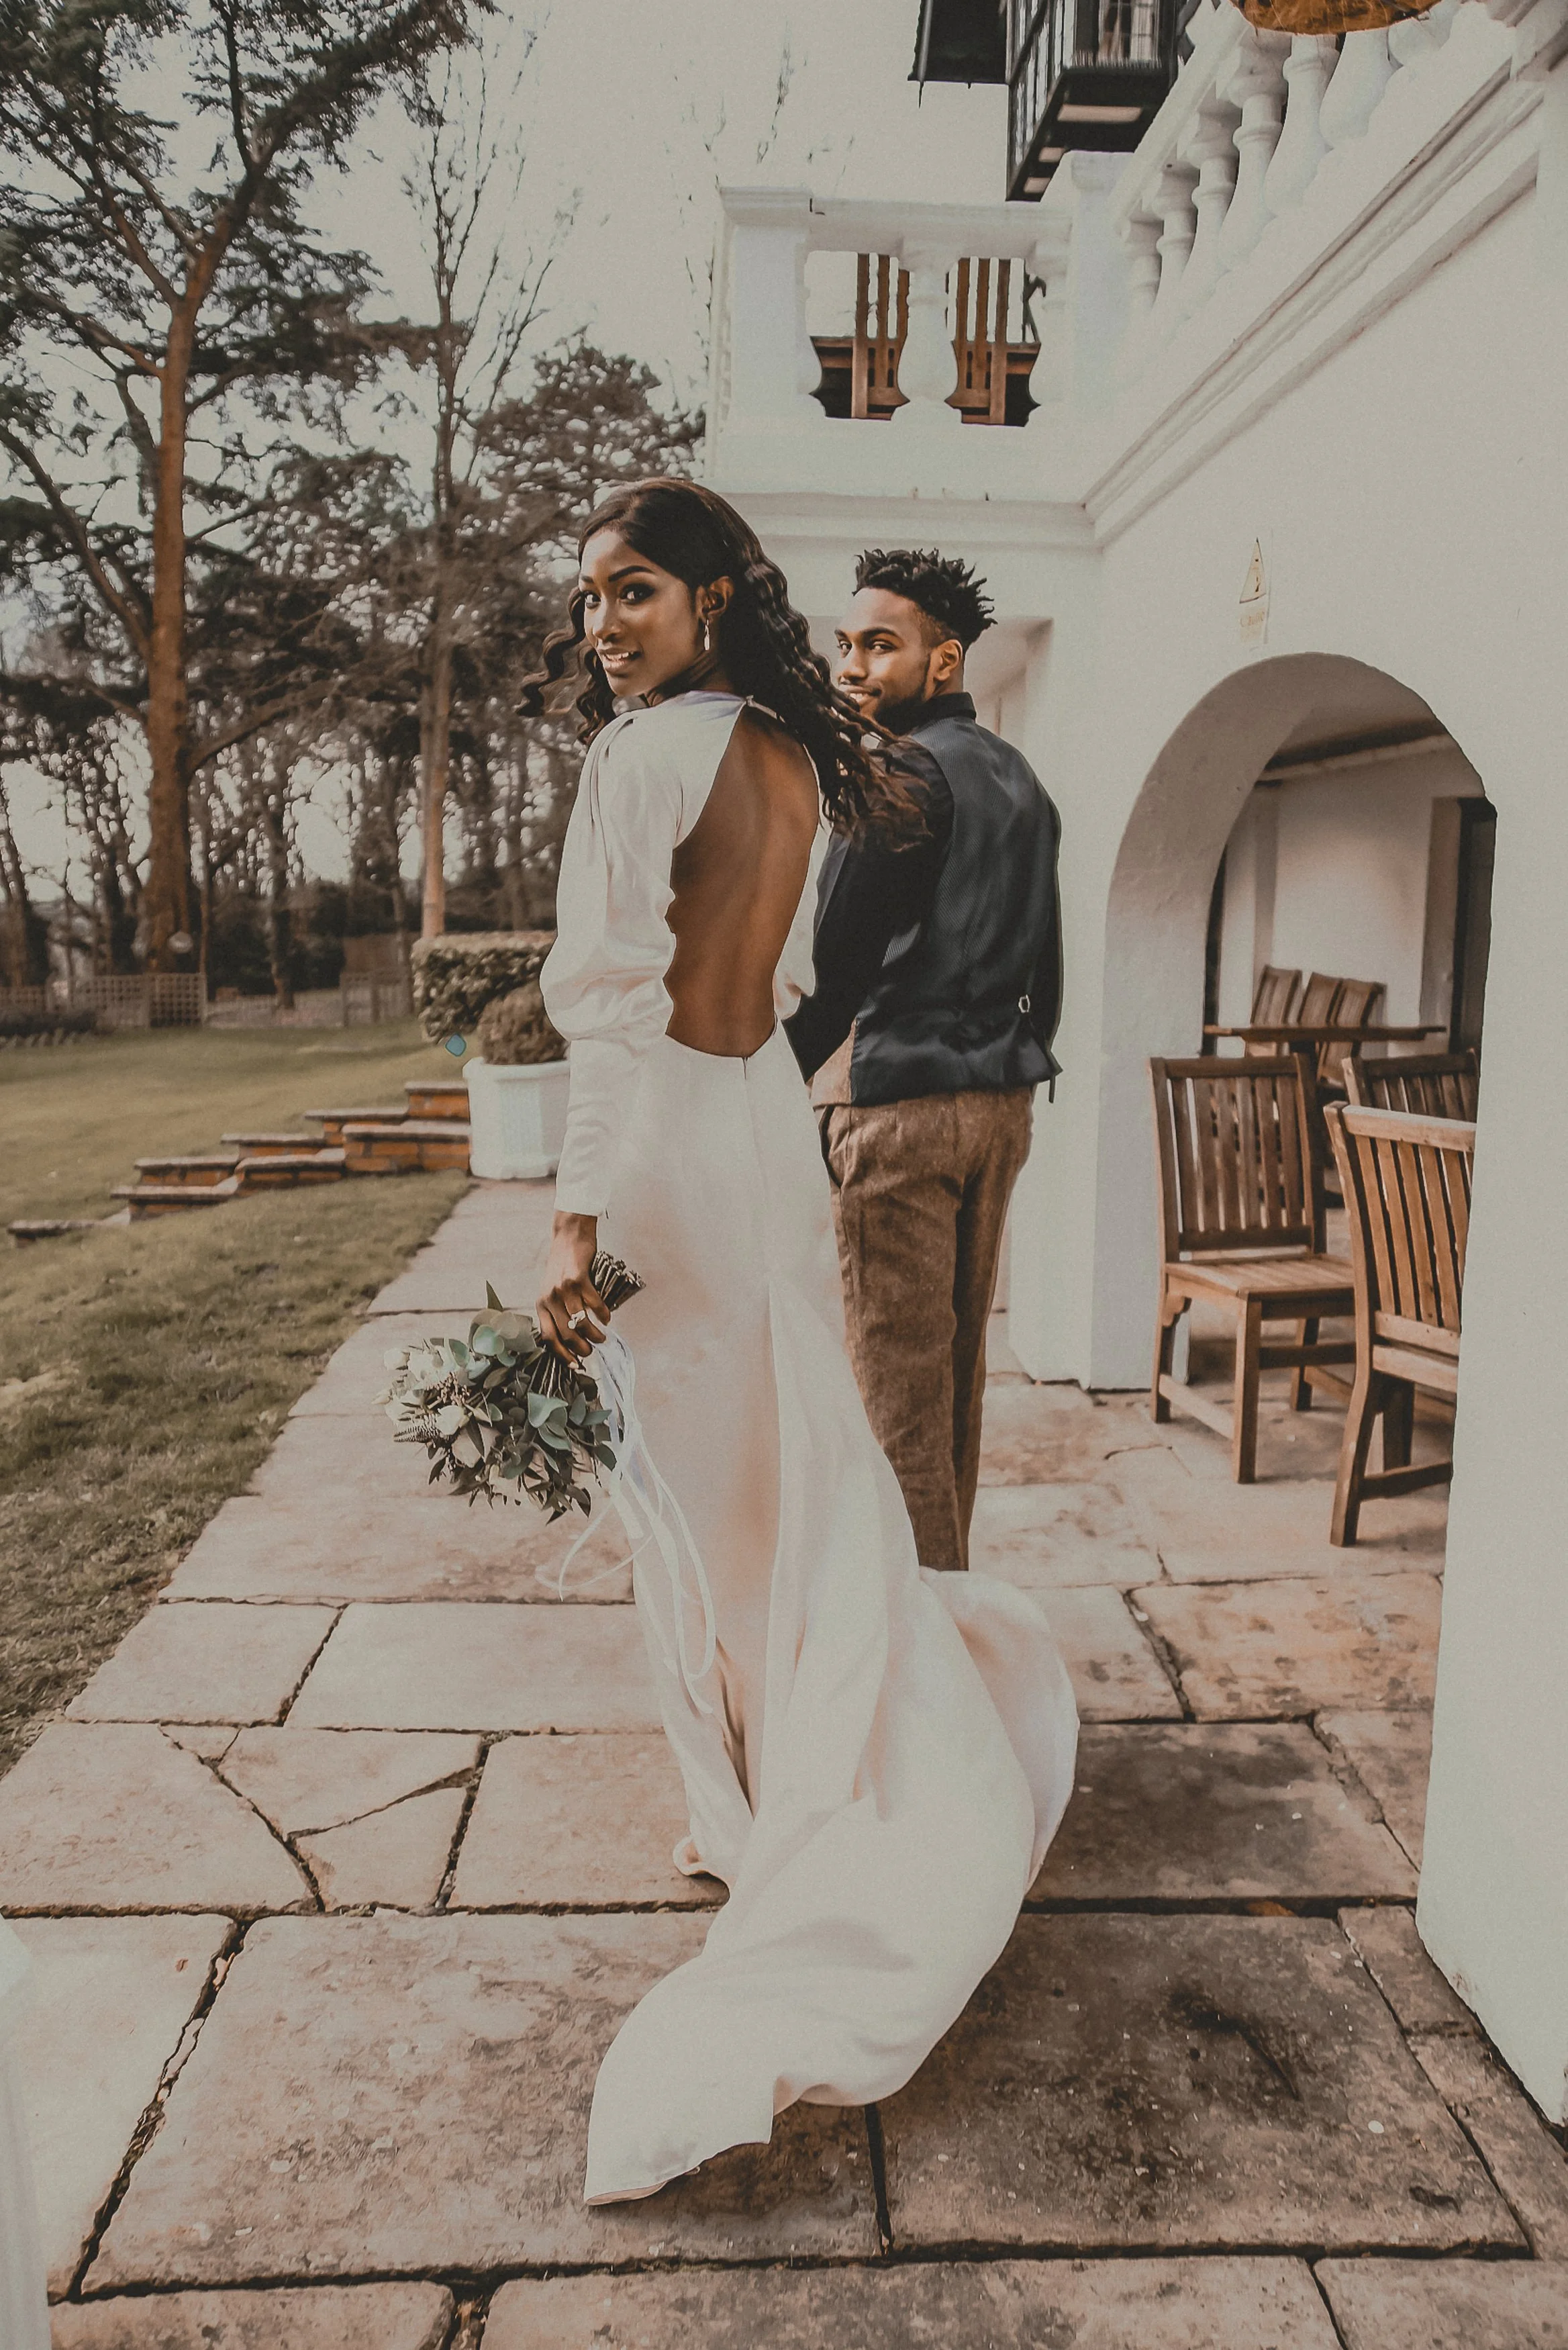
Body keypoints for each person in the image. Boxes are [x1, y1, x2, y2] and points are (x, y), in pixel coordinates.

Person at [525, 478, 1077, 2208]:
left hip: (679, 1143)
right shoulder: (788, 743)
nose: (603, 626)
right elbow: (766, 993)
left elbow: (612, 1005)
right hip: (759, 1120)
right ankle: (781, 1781)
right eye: (590, 602)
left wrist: (572, 1216)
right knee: (779, 1470)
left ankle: (750, 1823)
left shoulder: (637, 764)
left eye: (631, 592)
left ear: (704, 595)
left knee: (690, 1500)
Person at [785, 549, 1063, 1574]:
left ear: (943, 658)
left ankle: (918, 1672)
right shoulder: (1023, 779)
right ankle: (952, 1619)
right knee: (951, 1394)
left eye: (879, 646)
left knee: (891, 1406)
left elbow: (836, 970)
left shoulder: (895, 773)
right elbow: (1049, 960)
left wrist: (765, 1092)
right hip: (998, 1106)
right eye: (846, 644)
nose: (852, 665)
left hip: (894, 1113)